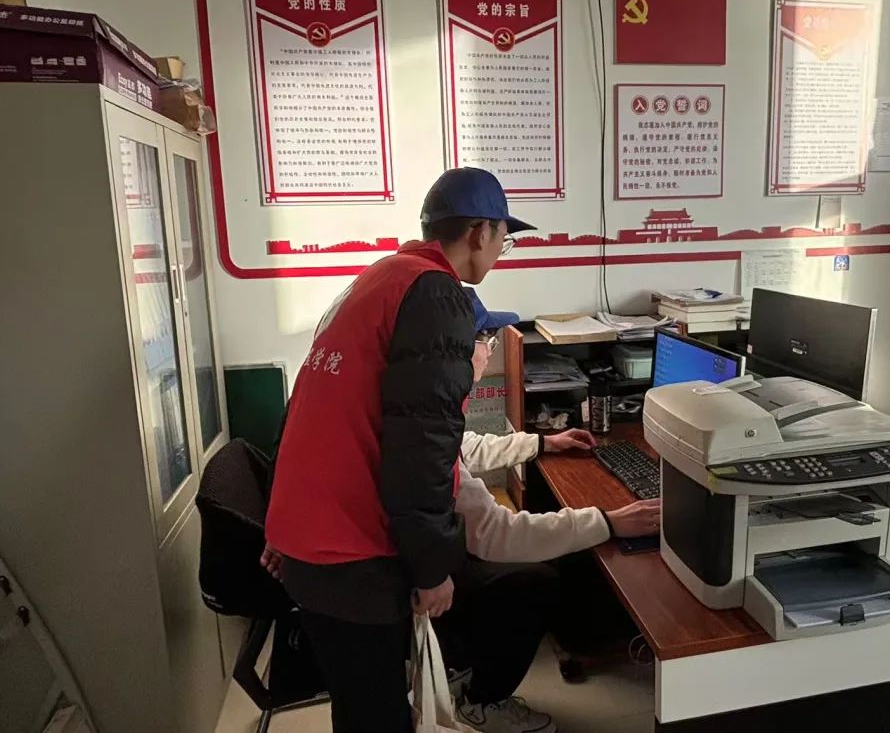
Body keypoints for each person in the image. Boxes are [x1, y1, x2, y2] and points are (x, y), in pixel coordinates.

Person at [264, 168, 535, 733]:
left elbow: (308, 406)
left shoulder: (381, 277)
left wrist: (281, 525)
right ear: (480, 232)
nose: (499, 252)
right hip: (349, 551)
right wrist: (432, 568)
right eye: (504, 238)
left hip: (314, 536)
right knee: (376, 714)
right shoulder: (437, 294)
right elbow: (422, 449)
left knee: (362, 703)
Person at [436, 289, 660, 732]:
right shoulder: (427, 424)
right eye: (486, 339)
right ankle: (482, 701)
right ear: (457, 349)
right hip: (435, 566)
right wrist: (609, 521)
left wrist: (541, 442)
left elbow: (467, 448)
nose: (491, 349)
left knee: (563, 546)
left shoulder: (428, 404)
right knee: (538, 578)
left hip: (433, 549)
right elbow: (499, 534)